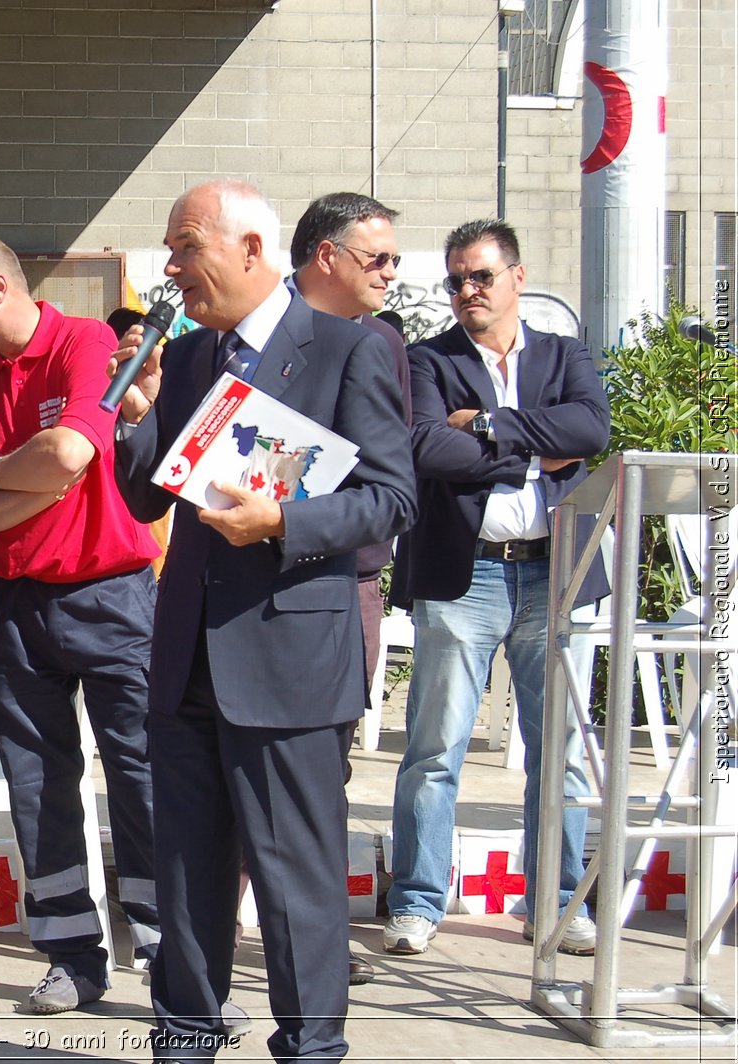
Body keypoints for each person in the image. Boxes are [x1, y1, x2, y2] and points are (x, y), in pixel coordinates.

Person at [111, 180, 415, 1062]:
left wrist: (282, 522)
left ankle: (311, 1049)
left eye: (186, 246)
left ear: (251, 249)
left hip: (289, 658)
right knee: (187, 876)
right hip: (186, 663)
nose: (171, 268)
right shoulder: (195, 357)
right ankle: (184, 1041)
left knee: (295, 883)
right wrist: (139, 412)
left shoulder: (347, 351)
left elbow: (391, 499)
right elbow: (142, 497)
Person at [0, 233, 163, 1013]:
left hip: (114, 597)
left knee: (144, 777)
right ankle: (71, 953)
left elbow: (69, 450)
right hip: (20, 608)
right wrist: (22, 478)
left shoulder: (87, 342)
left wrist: (16, 473)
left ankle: (169, 955)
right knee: (37, 784)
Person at [383, 219, 609, 958]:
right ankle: (418, 902)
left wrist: (485, 426)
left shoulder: (563, 354)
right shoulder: (427, 359)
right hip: (466, 570)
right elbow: (423, 445)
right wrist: (531, 452)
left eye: (479, 276)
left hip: (556, 570)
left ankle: (556, 902)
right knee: (434, 749)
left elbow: (591, 428)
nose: (465, 292)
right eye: (454, 280)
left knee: (562, 750)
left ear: (516, 277)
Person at [288, 191, 413, 987]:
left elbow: (388, 479)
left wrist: (289, 519)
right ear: (325, 255)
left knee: (322, 768)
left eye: (396, 259)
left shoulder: (380, 345)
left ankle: (315, 940)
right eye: (378, 259)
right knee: (228, 768)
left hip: (343, 582)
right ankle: (213, 929)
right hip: (232, 591)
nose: (391, 274)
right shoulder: (239, 343)